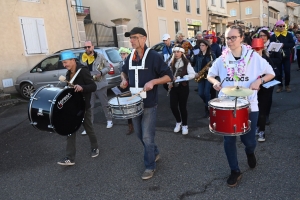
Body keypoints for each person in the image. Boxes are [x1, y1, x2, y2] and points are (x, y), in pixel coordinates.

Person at [207, 25, 275, 187]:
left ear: (242, 38)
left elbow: (271, 72)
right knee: (228, 140)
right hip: (226, 104)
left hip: (249, 104)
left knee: (249, 140)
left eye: (233, 37)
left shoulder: (253, 56)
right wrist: (216, 82)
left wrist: (260, 80)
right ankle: (235, 170)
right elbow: (210, 75)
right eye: (227, 38)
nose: (229, 41)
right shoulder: (222, 58)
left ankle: (250, 151)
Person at [120, 27, 172, 180]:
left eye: (134, 37)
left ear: (144, 38)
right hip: (133, 102)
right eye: (130, 38)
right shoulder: (130, 57)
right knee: (139, 134)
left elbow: (169, 76)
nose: (131, 40)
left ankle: (150, 166)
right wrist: (124, 79)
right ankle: (154, 152)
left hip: (149, 103)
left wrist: (154, 81)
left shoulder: (154, 56)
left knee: (147, 137)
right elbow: (123, 71)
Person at [57, 50, 99, 166]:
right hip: (72, 107)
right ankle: (70, 158)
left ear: (73, 60)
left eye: (65, 62)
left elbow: (93, 86)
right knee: (70, 130)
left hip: (83, 106)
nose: (64, 65)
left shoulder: (83, 71)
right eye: (63, 63)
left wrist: (82, 88)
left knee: (89, 128)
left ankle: (95, 147)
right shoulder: (67, 73)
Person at [80, 41, 113, 136]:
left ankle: (109, 120)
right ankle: (89, 126)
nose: (87, 49)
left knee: (104, 104)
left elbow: (108, 67)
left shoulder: (100, 56)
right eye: (85, 47)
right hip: (89, 85)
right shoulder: (83, 58)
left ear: (93, 47)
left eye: (88, 47)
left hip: (100, 84)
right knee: (90, 106)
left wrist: (101, 73)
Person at [168, 45, 196, 135]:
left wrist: (182, 77)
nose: (176, 53)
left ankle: (185, 125)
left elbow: (192, 74)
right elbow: (167, 74)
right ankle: (178, 122)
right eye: (175, 52)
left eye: (178, 52)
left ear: (182, 52)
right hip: (173, 87)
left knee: (182, 107)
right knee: (173, 106)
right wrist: (168, 82)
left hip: (183, 87)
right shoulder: (171, 63)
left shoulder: (186, 62)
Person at [251, 38, 275, 142]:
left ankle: (262, 132)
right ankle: (257, 127)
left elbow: (272, 75)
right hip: (254, 89)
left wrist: (261, 81)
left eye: (258, 49)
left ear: (262, 49)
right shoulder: (250, 60)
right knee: (254, 110)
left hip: (265, 89)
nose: (257, 51)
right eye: (254, 49)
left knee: (262, 111)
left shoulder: (266, 59)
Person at [256, 27, 282, 125]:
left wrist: (268, 60)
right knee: (260, 96)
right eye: (260, 35)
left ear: (267, 36)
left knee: (268, 96)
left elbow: (279, 59)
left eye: (264, 35)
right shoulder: (256, 46)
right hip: (260, 75)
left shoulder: (273, 45)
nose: (262, 37)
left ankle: (266, 115)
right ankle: (259, 115)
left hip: (271, 74)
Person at [270, 20, 295, 93]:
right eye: (280, 26)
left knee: (287, 71)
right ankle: (280, 86)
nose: (282, 27)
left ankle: (287, 85)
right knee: (279, 73)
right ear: (277, 27)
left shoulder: (288, 34)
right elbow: (271, 45)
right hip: (277, 57)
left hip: (286, 56)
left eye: (284, 26)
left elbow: (292, 44)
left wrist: (284, 45)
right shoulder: (273, 36)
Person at [194, 39, 216, 118]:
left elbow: (215, 66)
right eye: (200, 45)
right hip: (201, 76)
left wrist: (209, 69)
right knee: (200, 93)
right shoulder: (198, 55)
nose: (201, 47)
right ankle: (208, 103)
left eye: (203, 45)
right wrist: (196, 72)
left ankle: (207, 109)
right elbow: (196, 65)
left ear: (206, 46)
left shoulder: (211, 55)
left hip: (208, 77)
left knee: (206, 93)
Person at [118, 47, 134, 135]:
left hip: (132, 86)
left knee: (134, 104)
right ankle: (130, 126)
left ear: (128, 54)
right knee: (126, 105)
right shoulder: (121, 63)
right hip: (125, 86)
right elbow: (122, 73)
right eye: (121, 54)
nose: (122, 55)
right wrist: (123, 79)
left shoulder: (131, 61)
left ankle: (137, 124)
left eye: (124, 54)